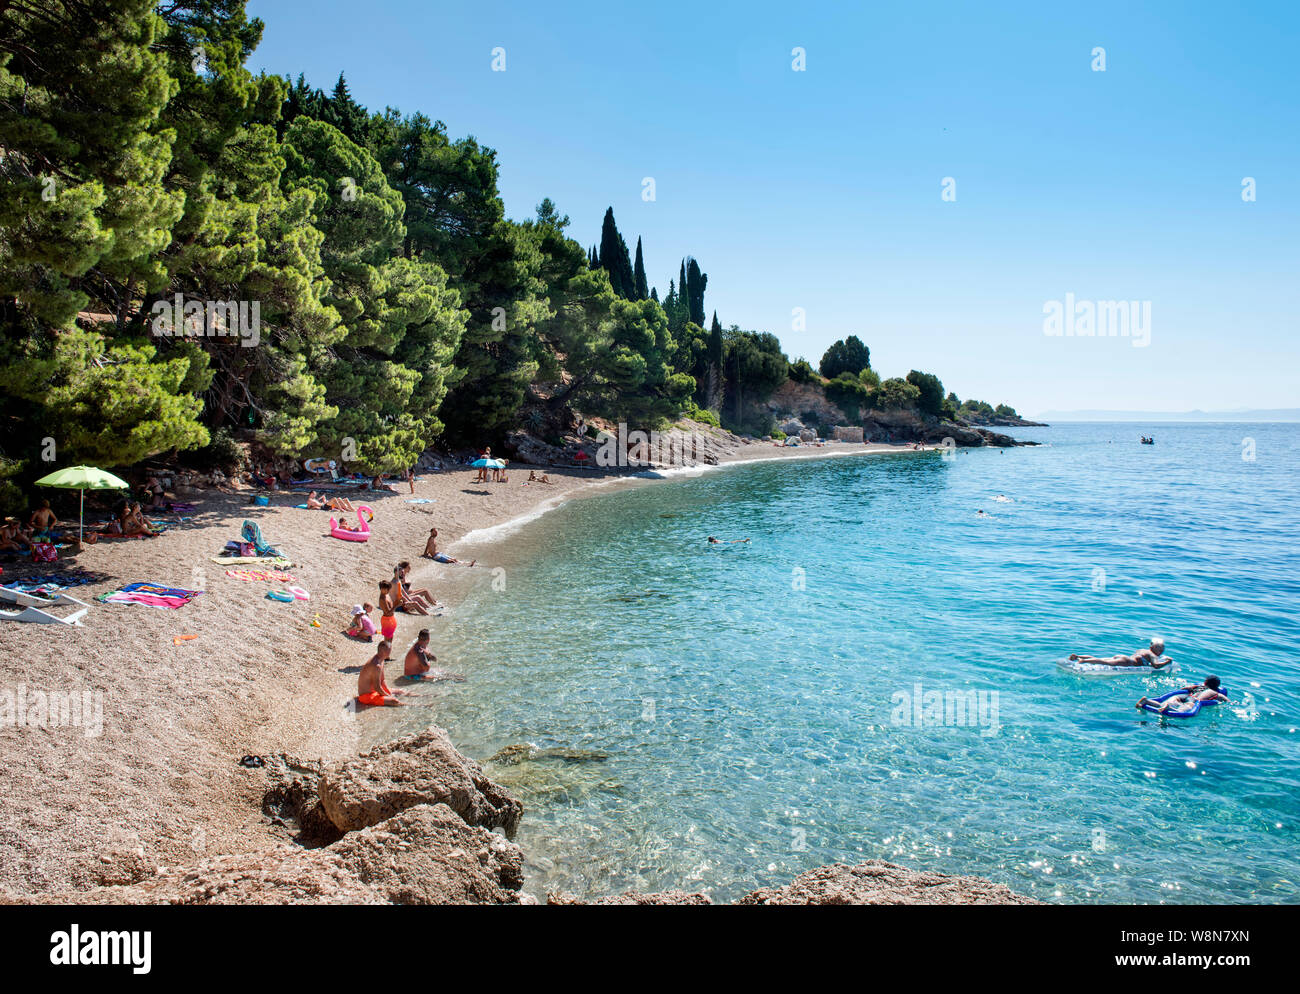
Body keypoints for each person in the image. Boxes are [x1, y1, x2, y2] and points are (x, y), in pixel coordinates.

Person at [1137, 676, 1227, 713]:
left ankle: (1147, 701)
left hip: (1184, 696)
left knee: (1162, 704)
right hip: (1193, 700)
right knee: (1182, 710)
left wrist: (1192, 688)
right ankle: (1168, 708)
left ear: (1205, 682)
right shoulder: (1215, 692)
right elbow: (1225, 699)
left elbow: (1184, 689)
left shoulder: (1197, 686)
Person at [1070, 638, 1172, 669]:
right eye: (1160, 649)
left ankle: (1078, 656)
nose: (1161, 651)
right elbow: (1156, 666)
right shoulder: (1152, 655)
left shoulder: (1143, 650)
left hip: (1124, 657)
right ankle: (1083, 660)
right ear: (1153, 648)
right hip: (1127, 662)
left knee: (1102, 659)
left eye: (1162, 649)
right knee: (1104, 662)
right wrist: (1167, 662)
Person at [356, 641, 402, 706]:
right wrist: (389, 696)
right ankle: (412, 705)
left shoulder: (381, 660)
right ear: (384, 651)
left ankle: (419, 697)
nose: (391, 652)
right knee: (395, 701)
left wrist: (388, 692)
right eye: (390, 650)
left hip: (374, 691)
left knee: (399, 691)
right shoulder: (376, 666)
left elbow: (382, 680)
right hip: (365, 696)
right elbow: (377, 687)